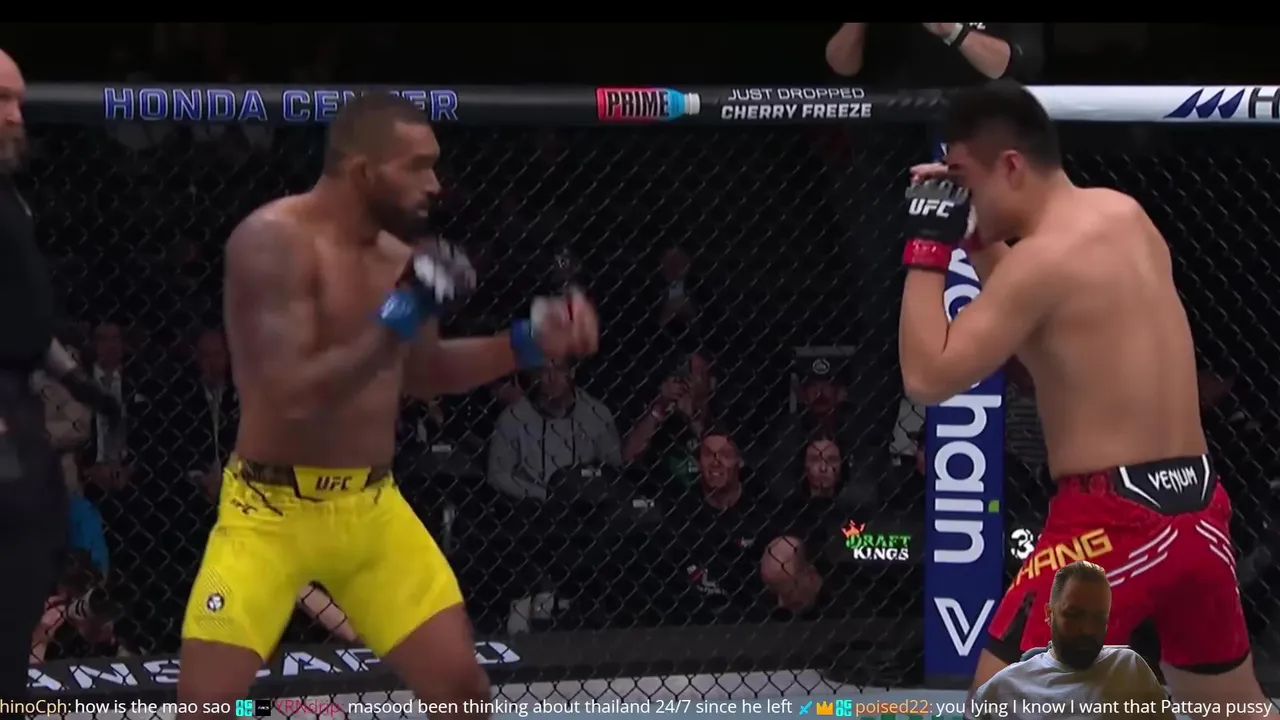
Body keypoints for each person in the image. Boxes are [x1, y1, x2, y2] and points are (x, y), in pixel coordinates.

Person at [178, 92, 599, 719]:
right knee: (204, 709)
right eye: (417, 166)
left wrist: (526, 343)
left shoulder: (399, 259)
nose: (435, 183)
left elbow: (424, 372)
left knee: (463, 698)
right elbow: (292, 394)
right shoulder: (270, 243)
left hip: (369, 510)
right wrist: (402, 312)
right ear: (362, 171)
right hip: (266, 514)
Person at [897, 80, 1268, 719]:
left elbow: (928, 377)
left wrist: (928, 245)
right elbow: (1046, 338)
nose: (959, 196)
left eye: (963, 179)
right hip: (1199, 507)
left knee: (998, 702)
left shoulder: (1042, 264)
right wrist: (977, 240)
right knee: (1231, 709)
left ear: (1011, 166)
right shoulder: (1124, 216)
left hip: (1110, 522)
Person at [0, 50, 122, 717]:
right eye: (1, 99)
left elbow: (23, 312)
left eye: (20, 99)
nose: (17, 115)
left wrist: (76, 378)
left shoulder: (10, 198)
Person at [971, 561, 1173, 719]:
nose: (1087, 630)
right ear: (1049, 614)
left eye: (1098, 618)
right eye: (1074, 615)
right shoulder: (1004, 688)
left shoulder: (1130, 668)